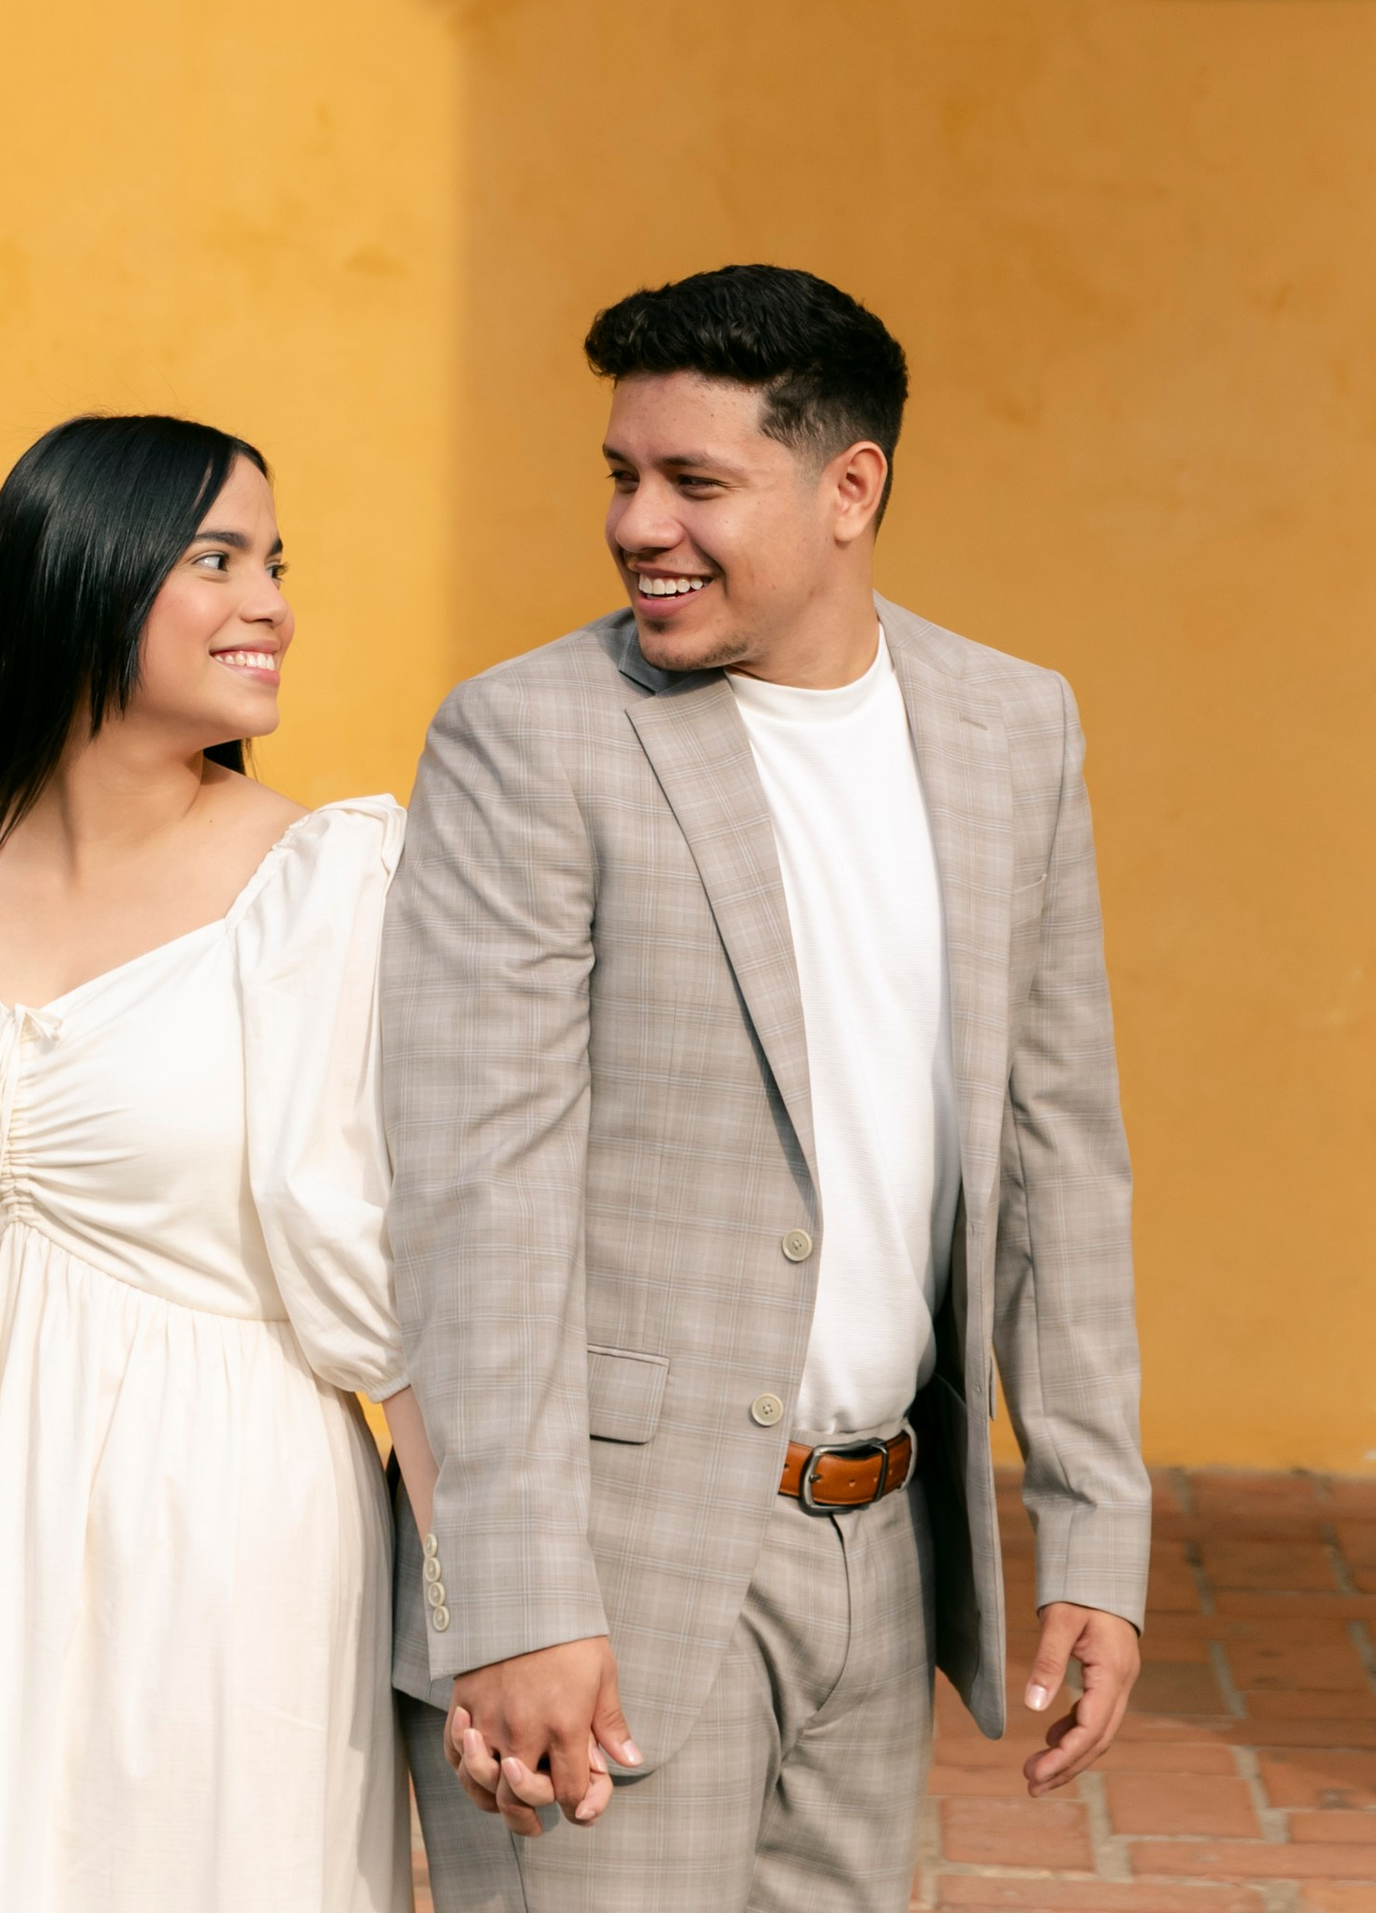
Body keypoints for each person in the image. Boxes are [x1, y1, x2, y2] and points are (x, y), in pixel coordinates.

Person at [380, 264, 1147, 1908]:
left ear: (849, 486)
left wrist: (1094, 1533)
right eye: (621, 476)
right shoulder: (529, 742)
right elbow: (475, 1196)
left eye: (696, 483)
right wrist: (515, 1597)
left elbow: (1057, 1151)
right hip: (612, 1577)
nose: (639, 523)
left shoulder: (1015, 729)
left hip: (884, 1551)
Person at [0, 411, 436, 1913]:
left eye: (276, 563)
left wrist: (494, 1619)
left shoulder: (327, 890)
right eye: (217, 559)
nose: (271, 605)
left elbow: (400, 1299)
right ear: (82, 578)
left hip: (234, 1533)